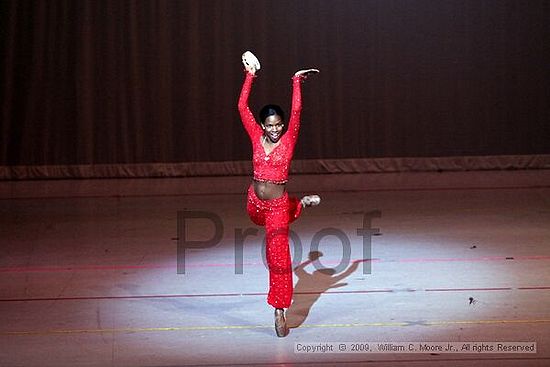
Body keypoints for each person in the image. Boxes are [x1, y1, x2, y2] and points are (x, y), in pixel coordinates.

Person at [238, 51, 321, 337]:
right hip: (253, 202)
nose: (275, 129)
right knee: (284, 212)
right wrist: (250, 76)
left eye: (278, 125)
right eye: (270, 125)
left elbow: (296, 111)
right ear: (262, 126)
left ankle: (279, 309)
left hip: (274, 207)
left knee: (279, 257)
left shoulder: (288, 139)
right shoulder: (254, 135)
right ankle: (299, 204)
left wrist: (295, 82)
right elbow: (241, 107)